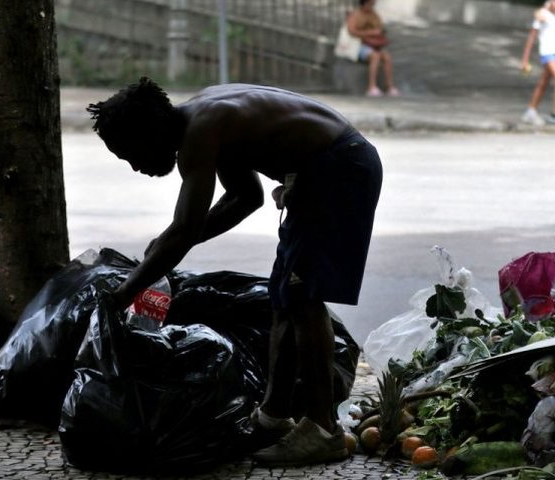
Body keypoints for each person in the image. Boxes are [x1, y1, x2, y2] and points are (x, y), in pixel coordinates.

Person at [87, 78, 383, 467]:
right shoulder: (207, 119)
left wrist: (124, 292)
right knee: (285, 298)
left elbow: (186, 227)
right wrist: (165, 246)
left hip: (339, 168)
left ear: (149, 132)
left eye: (130, 153)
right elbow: (245, 198)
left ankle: (323, 430)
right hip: (324, 170)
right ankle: (273, 417)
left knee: (303, 299)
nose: (135, 166)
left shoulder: (202, 130)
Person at [519, 0, 555, 130]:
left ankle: (531, 111)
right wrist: (525, 59)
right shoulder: (543, 14)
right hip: (547, 53)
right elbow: (531, 37)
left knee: (543, 82)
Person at [346, 0, 400, 97]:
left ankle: (390, 87)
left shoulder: (374, 14)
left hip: (372, 45)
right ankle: (372, 86)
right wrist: (370, 33)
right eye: (370, 4)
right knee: (375, 57)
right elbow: (351, 31)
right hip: (357, 46)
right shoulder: (355, 15)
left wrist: (377, 32)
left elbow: (380, 28)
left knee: (386, 57)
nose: (372, 6)